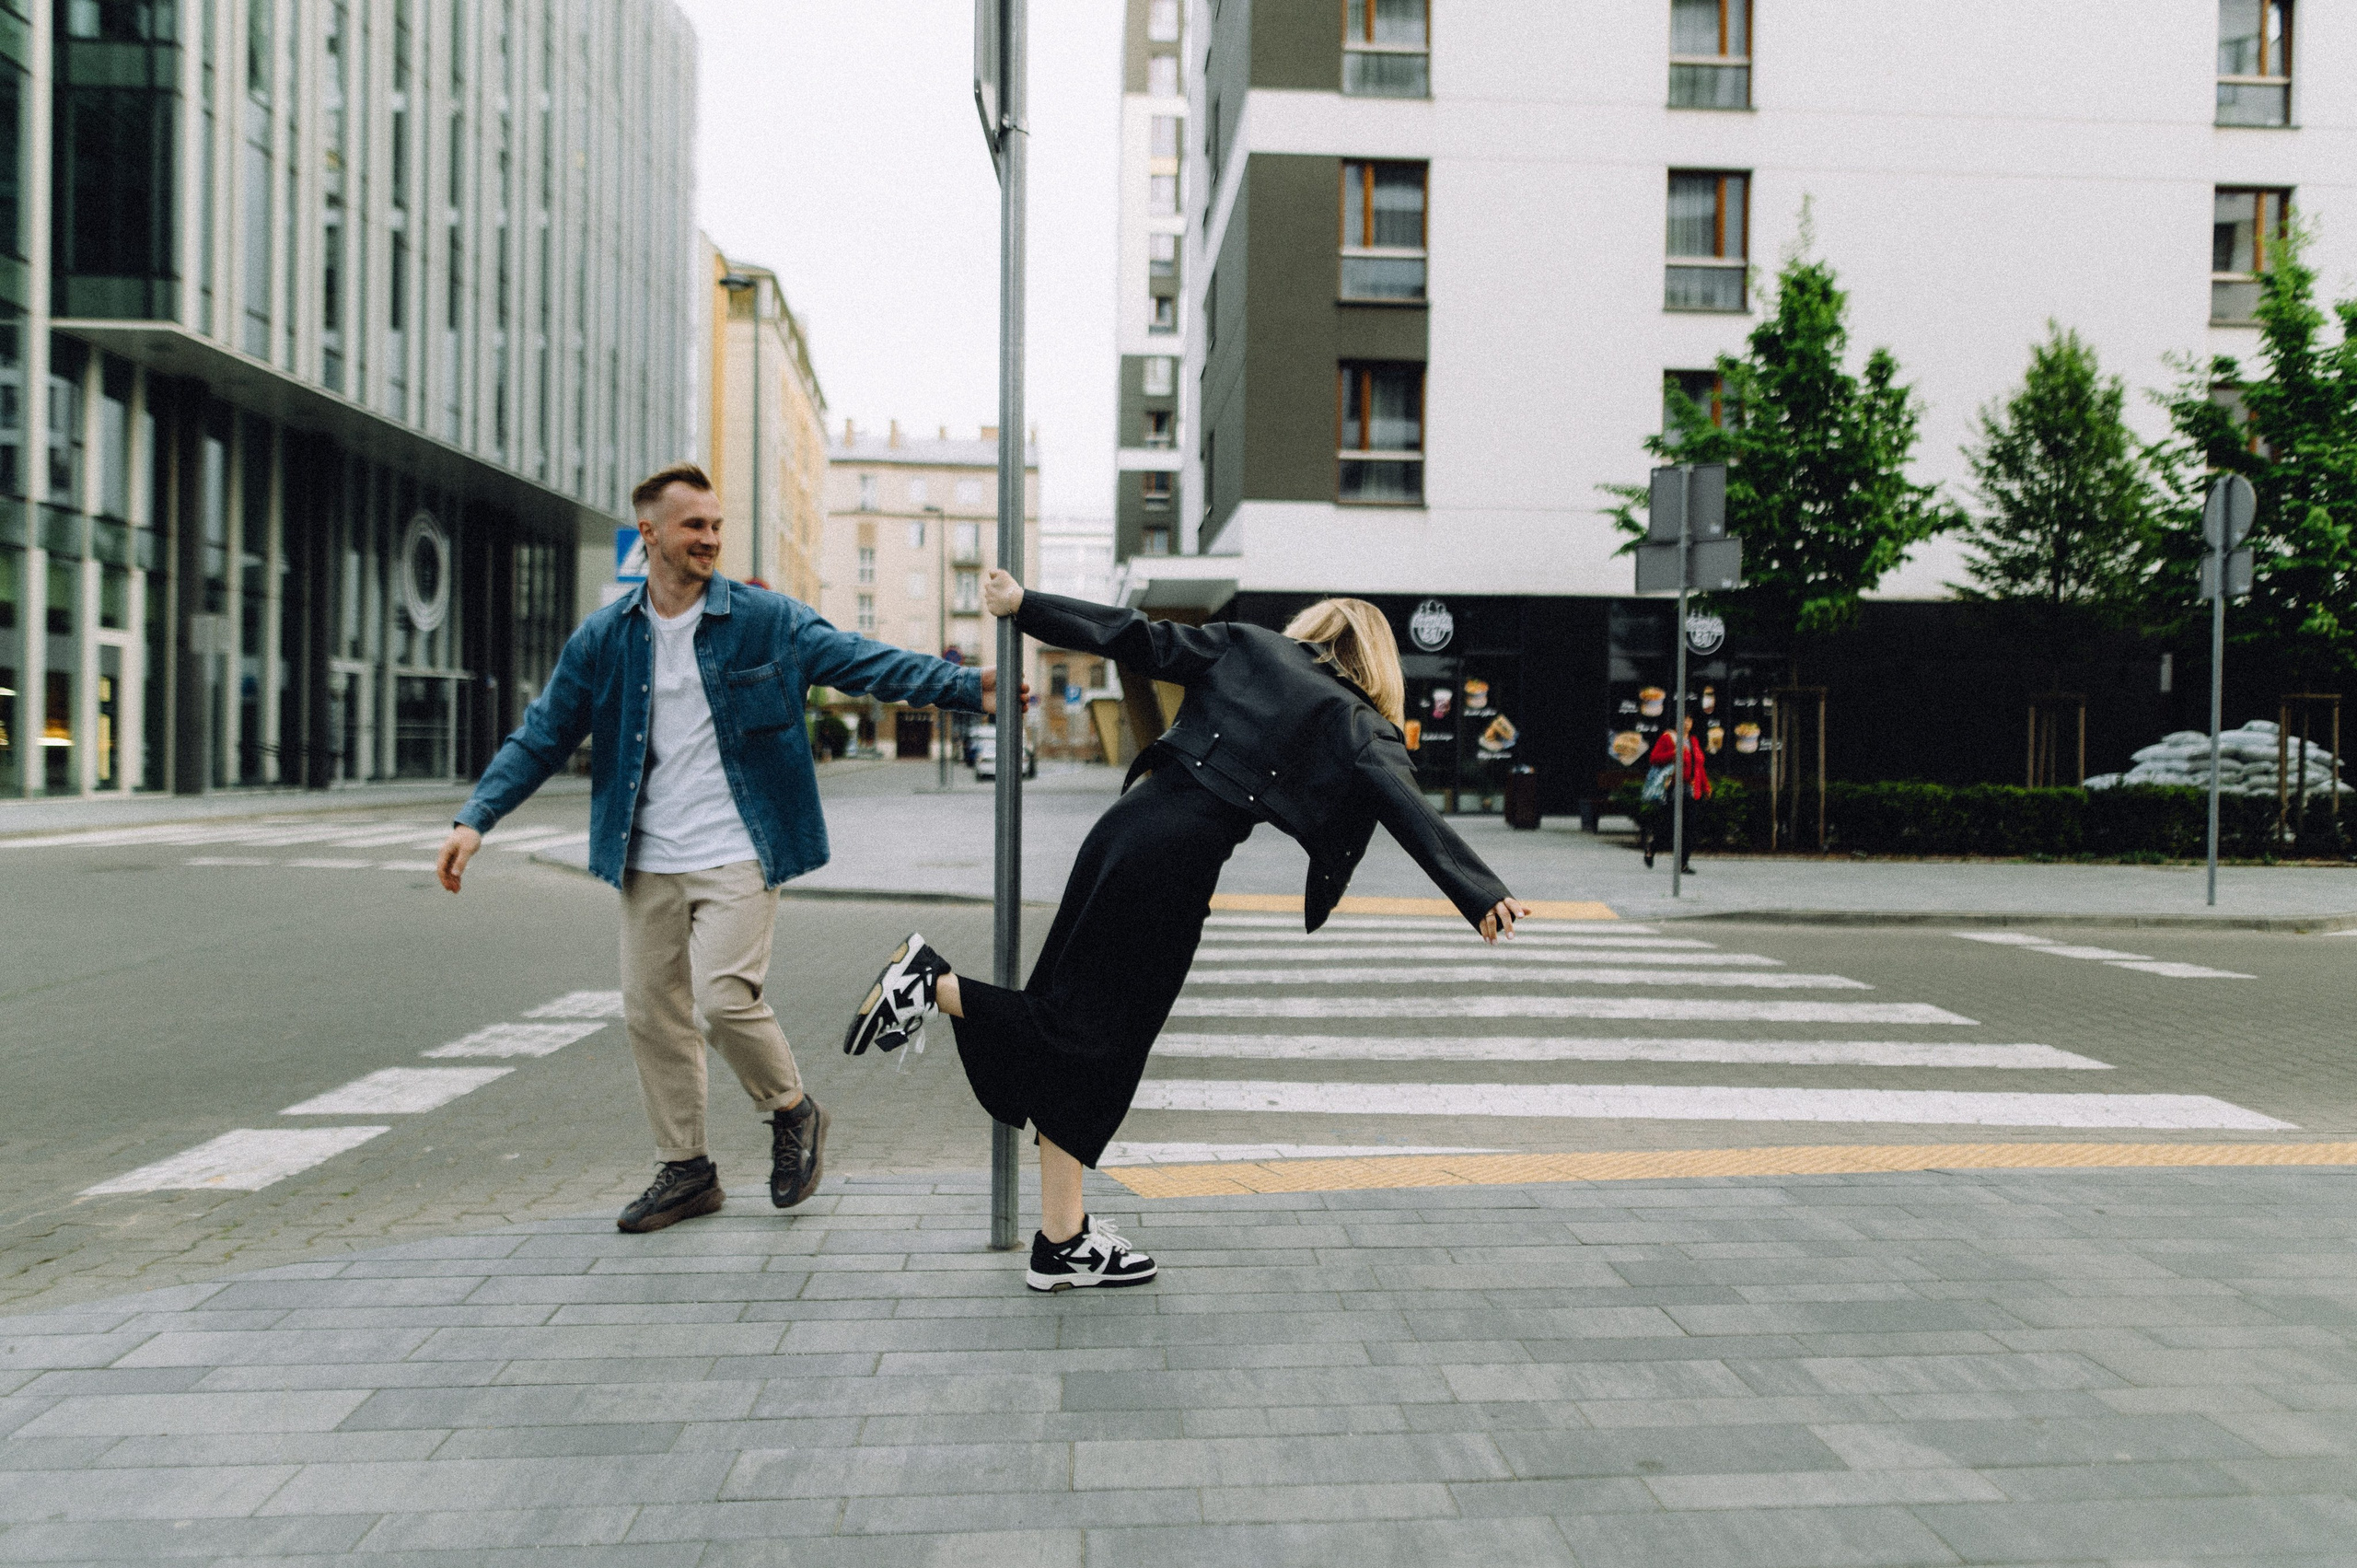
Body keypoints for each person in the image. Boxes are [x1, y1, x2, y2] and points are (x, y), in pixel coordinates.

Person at [840, 568, 1531, 1292]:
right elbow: (1406, 805)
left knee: (1074, 1019)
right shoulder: (1357, 721)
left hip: (1124, 827)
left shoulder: (1249, 646)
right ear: (1378, 661)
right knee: (1096, 1039)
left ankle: (1062, 1238)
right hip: (1175, 862)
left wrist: (1027, 605)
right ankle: (933, 984)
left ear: (1317, 629)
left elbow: (1133, 636)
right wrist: (1481, 892)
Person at [435, 463, 1011, 1234]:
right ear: (650, 535)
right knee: (651, 1014)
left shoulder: (766, 619)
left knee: (720, 997)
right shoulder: (607, 638)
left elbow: (862, 661)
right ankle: (687, 1168)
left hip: (741, 845)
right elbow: (543, 731)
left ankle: (792, 1110)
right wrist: (477, 817)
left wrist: (969, 686)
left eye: (715, 524)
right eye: (693, 526)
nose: (710, 539)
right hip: (647, 857)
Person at [1639, 717, 1711, 874]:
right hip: (1673, 788)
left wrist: (1705, 786)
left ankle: (1683, 864)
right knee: (1669, 826)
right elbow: (1654, 758)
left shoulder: (1693, 741)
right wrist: (1674, 753)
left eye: (1690, 720)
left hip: (1691, 789)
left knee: (1690, 828)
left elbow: (1699, 766)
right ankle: (1652, 848)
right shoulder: (1668, 738)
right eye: (1684, 719)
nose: (1686, 723)